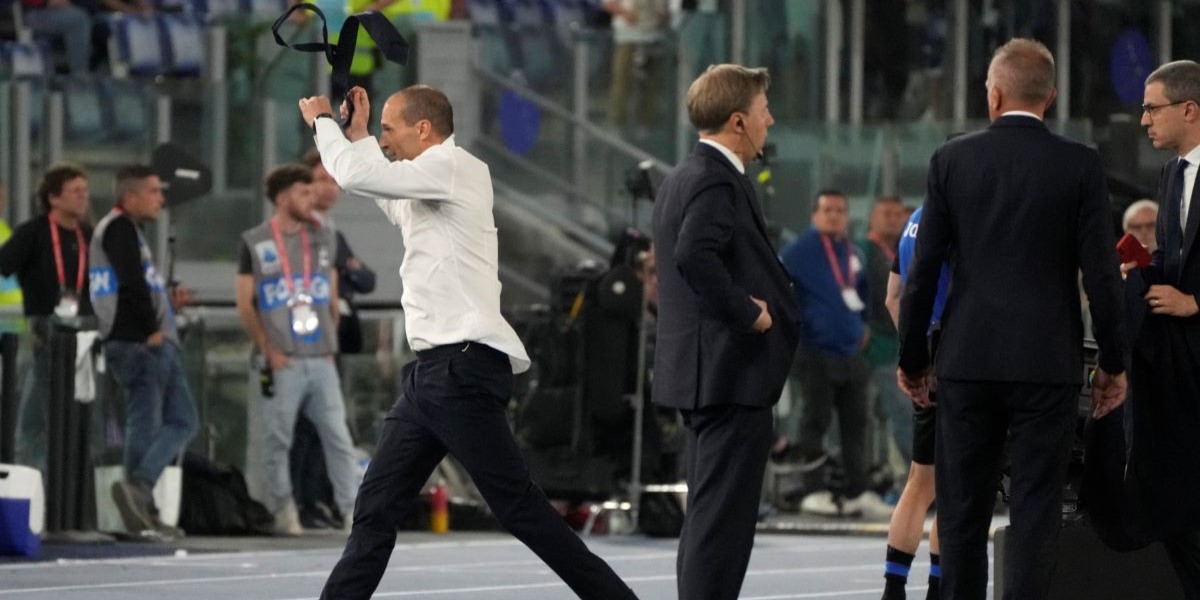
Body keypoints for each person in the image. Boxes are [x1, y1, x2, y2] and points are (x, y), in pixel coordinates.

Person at [299, 84, 638, 600]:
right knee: (375, 508)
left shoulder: (455, 167)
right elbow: (382, 193)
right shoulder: (430, 181)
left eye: (389, 130)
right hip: (433, 374)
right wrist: (360, 135)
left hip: (461, 369)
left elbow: (354, 176)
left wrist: (325, 124)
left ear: (423, 130)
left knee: (519, 508)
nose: (385, 142)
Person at [896, 38, 1128, 600]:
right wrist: (1113, 363)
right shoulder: (1080, 164)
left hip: (967, 360)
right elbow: (1102, 276)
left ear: (994, 95)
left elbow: (921, 273)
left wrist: (914, 359)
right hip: (1047, 364)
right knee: (1036, 509)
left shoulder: (952, 160)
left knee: (961, 510)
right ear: (1051, 97)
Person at [650, 64, 798, 600]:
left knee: (708, 521)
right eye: (763, 112)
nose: (769, 121)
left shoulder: (682, 175)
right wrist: (748, 312)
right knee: (720, 530)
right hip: (728, 376)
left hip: (707, 375)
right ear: (738, 121)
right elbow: (695, 254)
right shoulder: (715, 178)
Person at [235, 164, 360, 536]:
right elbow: (245, 302)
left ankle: (353, 511)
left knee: (339, 438)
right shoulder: (255, 241)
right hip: (282, 359)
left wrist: (330, 342)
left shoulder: (324, 237)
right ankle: (283, 510)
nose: (313, 198)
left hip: (320, 358)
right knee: (277, 440)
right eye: (304, 193)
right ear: (283, 197)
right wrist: (267, 347)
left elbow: (331, 295)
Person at [1124, 59, 1200, 598]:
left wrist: (1196, 302)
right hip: (1179, 369)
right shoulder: (1171, 174)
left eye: (1152, 108)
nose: (1144, 120)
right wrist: (1141, 270)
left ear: (1189, 109)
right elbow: (1175, 261)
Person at [89, 165, 199, 538]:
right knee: (147, 422)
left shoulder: (128, 231)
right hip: (139, 342)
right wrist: (151, 329)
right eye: (153, 192)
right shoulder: (119, 229)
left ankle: (141, 492)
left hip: (150, 338)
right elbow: (131, 284)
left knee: (181, 419)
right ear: (130, 195)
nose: (161, 199)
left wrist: (166, 303)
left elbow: (141, 285)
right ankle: (139, 495)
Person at [780, 190, 892, 520]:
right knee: (814, 421)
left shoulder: (851, 251)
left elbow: (863, 292)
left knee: (857, 424)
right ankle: (812, 490)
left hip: (851, 352)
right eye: (827, 210)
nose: (834, 216)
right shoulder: (798, 252)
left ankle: (858, 490)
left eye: (840, 210)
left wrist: (864, 326)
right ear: (814, 215)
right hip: (814, 350)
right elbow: (781, 292)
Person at [288, 149, 377, 530]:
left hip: (334, 340)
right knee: (303, 426)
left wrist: (345, 266)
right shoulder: (298, 231)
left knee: (330, 426)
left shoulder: (332, 231)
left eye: (333, 180)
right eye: (321, 180)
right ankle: (301, 501)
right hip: (304, 340)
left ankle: (321, 499)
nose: (329, 188)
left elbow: (367, 279)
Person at [0, 165, 92, 474]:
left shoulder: (87, 235)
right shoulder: (33, 232)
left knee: (60, 414)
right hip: (46, 329)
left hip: (83, 332)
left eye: (85, 191)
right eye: (75, 191)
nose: (83, 197)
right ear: (53, 198)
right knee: (47, 412)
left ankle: (52, 479)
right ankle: (40, 481)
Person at [880, 204, 950, 600]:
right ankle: (938, 588)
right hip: (959, 360)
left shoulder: (914, 220)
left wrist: (916, 352)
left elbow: (893, 297)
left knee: (920, 481)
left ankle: (894, 587)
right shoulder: (958, 215)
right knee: (955, 484)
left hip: (925, 355)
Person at [603, 0, 669, 132]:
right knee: (623, 80)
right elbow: (608, 4)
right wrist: (624, 13)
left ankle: (645, 124)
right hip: (628, 37)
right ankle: (617, 124)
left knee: (651, 83)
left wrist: (665, 16)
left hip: (654, 37)